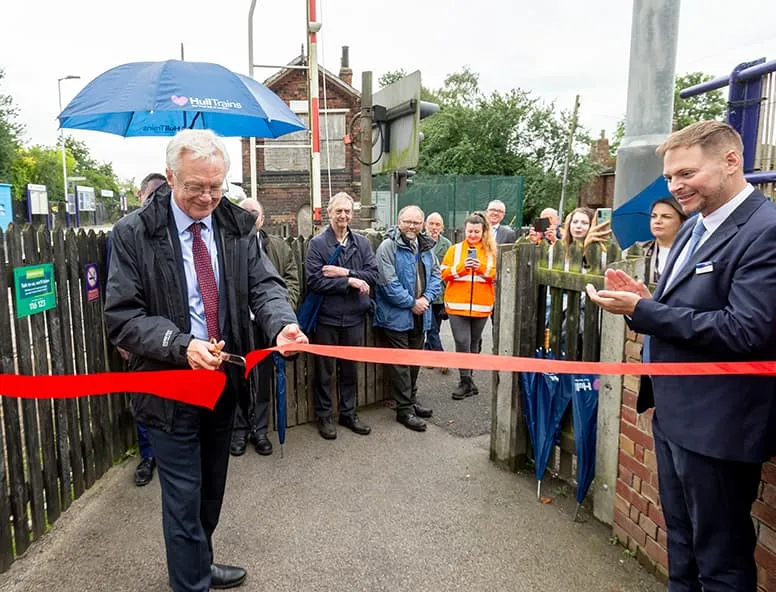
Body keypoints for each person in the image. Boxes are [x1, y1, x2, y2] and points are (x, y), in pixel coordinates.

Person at [104, 130, 307, 592]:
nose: (208, 196)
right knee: (183, 497)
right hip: (167, 385)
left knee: (211, 492)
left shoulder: (235, 225)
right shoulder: (133, 233)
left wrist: (282, 325)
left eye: (217, 186)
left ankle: (199, 563)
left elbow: (266, 285)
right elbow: (122, 318)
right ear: (171, 176)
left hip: (222, 380)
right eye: (196, 186)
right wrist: (180, 343)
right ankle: (190, 583)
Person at [586, 121, 776, 591]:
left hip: (720, 425)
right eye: (670, 177)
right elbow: (686, 309)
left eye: (686, 173)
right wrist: (644, 301)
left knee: (721, 562)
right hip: (674, 415)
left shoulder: (764, 230)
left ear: (731, 161)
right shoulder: (694, 227)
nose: (675, 186)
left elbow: (747, 329)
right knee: (682, 546)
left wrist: (647, 310)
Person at [108, 172, 167, 487]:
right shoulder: (124, 231)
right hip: (138, 333)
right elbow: (114, 287)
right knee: (144, 398)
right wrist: (122, 335)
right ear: (140, 195)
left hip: (170, 334)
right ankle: (148, 456)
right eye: (152, 194)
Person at [305, 192, 378, 440]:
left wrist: (344, 272)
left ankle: (349, 413)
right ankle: (324, 416)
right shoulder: (318, 244)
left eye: (347, 211)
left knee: (350, 370)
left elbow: (373, 275)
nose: (343, 216)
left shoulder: (362, 243)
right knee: (324, 372)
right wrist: (350, 282)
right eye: (338, 211)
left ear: (352, 213)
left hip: (354, 318)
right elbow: (314, 282)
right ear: (329, 213)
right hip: (327, 318)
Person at [230, 198, 300, 456]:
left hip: (267, 326)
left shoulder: (279, 247)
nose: (250, 217)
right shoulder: (231, 245)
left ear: (262, 217)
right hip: (237, 326)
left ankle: (259, 431)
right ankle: (238, 431)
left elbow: (291, 280)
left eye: (254, 213)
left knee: (262, 381)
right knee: (236, 378)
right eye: (245, 212)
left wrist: (282, 315)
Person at [374, 205, 441, 432]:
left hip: (421, 314)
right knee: (401, 364)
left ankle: (410, 401)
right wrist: (412, 303)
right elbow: (387, 284)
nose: (412, 226)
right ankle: (404, 410)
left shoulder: (426, 247)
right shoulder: (388, 247)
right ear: (399, 222)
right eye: (408, 222)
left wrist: (427, 299)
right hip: (395, 316)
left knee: (413, 361)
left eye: (416, 222)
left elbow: (436, 276)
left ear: (422, 224)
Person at [440, 212, 497, 399]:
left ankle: (468, 379)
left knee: (474, 342)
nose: (473, 235)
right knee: (462, 341)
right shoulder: (455, 250)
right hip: (457, 306)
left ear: (483, 232)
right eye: (470, 231)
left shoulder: (490, 251)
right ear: (464, 230)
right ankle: (465, 381)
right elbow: (443, 273)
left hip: (481, 306)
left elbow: (495, 274)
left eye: (476, 231)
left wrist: (479, 267)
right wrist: (462, 268)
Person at [422, 212, 452, 373]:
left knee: (436, 327)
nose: (434, 227)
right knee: (431, 327)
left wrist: (448, 296)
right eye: (431, 224)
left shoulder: (446, 245)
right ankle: (441, 358)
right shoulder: (419, 241)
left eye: (437, 225)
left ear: (442, 227)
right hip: (425, 293)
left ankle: (428, 353)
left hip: (441, 294)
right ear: (425, 225)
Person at [641, 197, 688, 284]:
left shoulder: (692, 251)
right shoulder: (640, 249)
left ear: (683, 221)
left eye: (666, 217)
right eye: (653, 216)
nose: (657, 221)